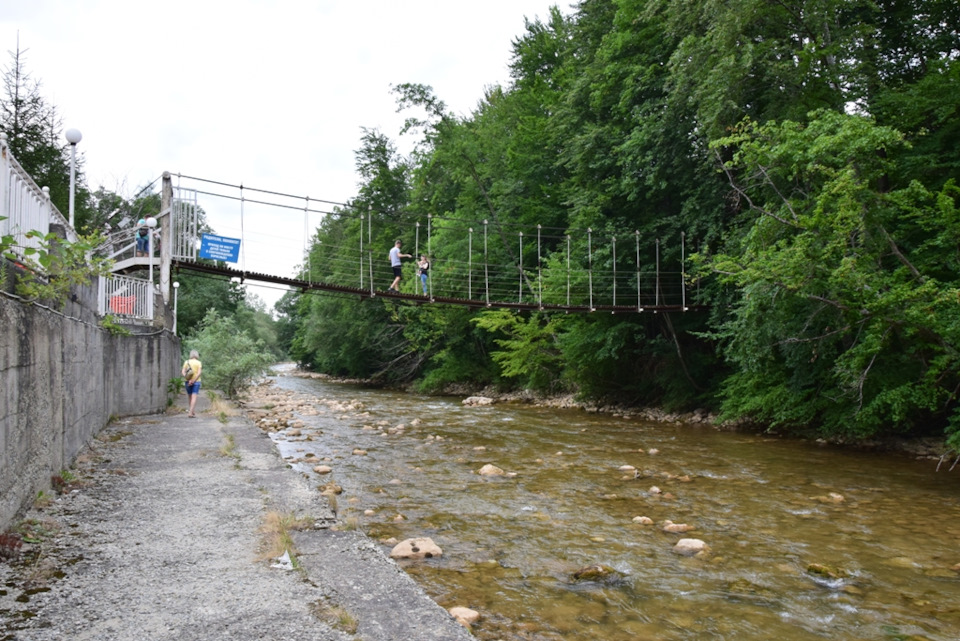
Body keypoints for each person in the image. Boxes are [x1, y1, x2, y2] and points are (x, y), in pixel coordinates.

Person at [181, 350, 203, 418]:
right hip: (196, 381)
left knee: (190, 396)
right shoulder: (199, 363)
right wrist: (193, 380)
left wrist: (188, 379)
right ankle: (190, 412)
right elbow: (199, 373)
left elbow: (183, 372)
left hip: (187, 381)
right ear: (197, 355)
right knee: (194, 396)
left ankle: (192, 410)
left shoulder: (186, 362)